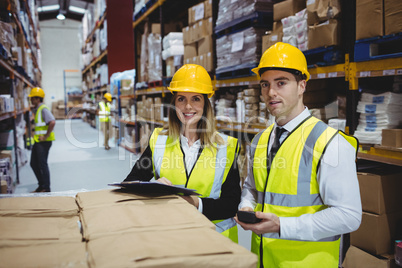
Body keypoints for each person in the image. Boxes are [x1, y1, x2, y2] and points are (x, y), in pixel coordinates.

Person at [235, 42, 362, 267]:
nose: (270, 92)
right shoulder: (259, 140)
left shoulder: (330, 142)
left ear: (302, 85)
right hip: (263, 260)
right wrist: (246, 205)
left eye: (281, 83)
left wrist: (282, 226)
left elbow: (348, 216)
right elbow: (251, 188)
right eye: (265, 84)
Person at [124, 64, 241, 243]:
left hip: (214, 241)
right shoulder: (159, 140)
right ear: (174, 104)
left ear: (205, 104)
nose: (188, 106)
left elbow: (231, 204)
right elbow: (129, 184)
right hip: (171, 237)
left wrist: (195, 203)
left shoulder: (226, 146)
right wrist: (153, 188)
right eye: (181, 99)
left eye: (195, 99)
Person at [29, 87, 56, 193]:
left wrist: (45, 136)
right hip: (38, 141)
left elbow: (52, 122)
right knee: (33, 163)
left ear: (37, 99)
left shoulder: (43, 108)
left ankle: (46, 187)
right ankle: (41, 185)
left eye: (32, 98)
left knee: (42, 164)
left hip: (44, 142)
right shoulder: (38, 109)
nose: (31, 100)